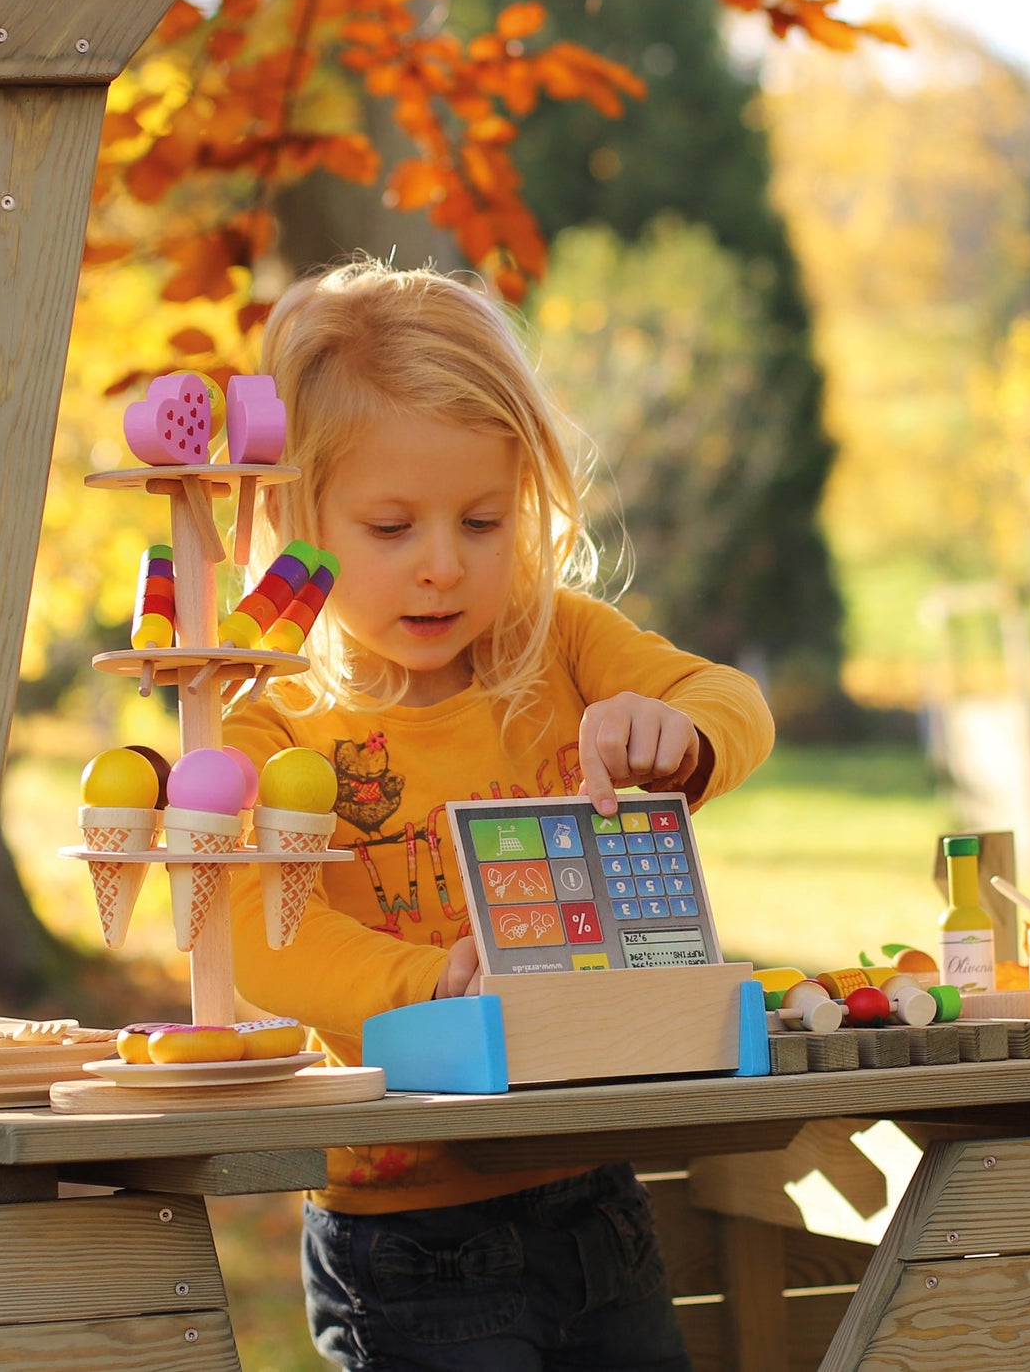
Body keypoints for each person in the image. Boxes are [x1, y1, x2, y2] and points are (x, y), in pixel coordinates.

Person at [223, 259, 775, 1371]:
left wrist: (678, 736)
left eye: (481, 519)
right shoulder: (269, 726)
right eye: (390, 526)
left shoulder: (556, 641)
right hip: (406, 1229)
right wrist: (436, 983)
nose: (442, 566)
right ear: (298, 514)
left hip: (592, 1194)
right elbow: (259, 941)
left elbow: (731, 700)